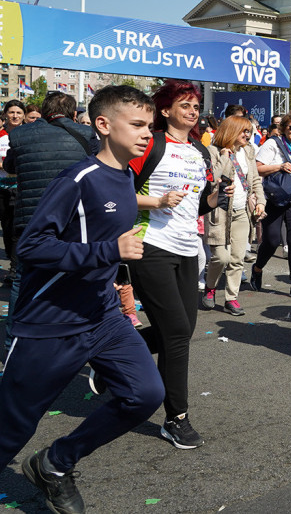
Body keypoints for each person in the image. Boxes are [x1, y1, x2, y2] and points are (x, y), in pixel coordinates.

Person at [0, 85, 164, 514]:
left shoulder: (126, 176)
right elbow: (31, 246)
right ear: (103, 125)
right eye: (137, 124)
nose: (146, 133)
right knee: (10, 431)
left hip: (102, 315)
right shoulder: (77, 178)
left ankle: (54, 464)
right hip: (50, 321)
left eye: (150, 126)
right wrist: (108, 251)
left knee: (145, 394)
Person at [129, 79, 219, 450]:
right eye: (185, 104)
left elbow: (198, 205)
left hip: (187, 248)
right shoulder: (150, 144)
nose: (193, 111)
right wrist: (156, 202)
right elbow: (115, 191)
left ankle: (111, 354)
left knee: (180, 331)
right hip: (150, 245)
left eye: (196, 106)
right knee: (178, 333)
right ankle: (176, 418)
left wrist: (216, 196)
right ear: (165, 110)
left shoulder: (200, 150)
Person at [3, 91, 100, 350]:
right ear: (73, 113)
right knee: (71, 279)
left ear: (44, 111)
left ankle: (13, 342)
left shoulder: (20, 134)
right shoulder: (86, 134)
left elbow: (10, 167)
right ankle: (64, 340)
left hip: (29, 218)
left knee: (23, 279)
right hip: (71, 219)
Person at [203, 116, 265, 316]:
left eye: (249, 131)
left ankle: (231, 298)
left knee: (237, 258)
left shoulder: (248, 151)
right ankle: (210, 287)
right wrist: (224, 156)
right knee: (221, 258)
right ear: (231, 131)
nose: (248, 135)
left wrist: (261, 201)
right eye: (244, 131)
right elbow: (211, 179)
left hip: (242, 211)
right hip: (219, 212)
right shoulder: (213, 151)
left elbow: (255, 180)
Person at [251, 112, 291, 300]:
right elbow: (257, 168)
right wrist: (280, 166)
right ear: (284, 128)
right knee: (272, 240)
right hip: (275, 199)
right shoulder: (273, 144)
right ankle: (257, 269)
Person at [0, 99, 26, 289]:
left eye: (18, 112)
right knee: (7, 228)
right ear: (5, 115)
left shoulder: (28, 134)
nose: (15, 116)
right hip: (1, 188)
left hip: (21, 188)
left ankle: (15, 269)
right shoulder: (1, 135)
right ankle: (12, 259)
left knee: (19, 229)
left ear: (23, 115)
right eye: (11, 112)